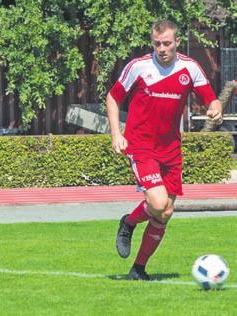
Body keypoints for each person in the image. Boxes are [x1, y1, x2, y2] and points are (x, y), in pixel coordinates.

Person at [106, 20, 223, 280]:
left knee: (166, 213)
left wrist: (216, 107)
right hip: (141, 146)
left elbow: (210, 98)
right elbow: (113, 97)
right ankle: (128, 222)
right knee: (157, 203)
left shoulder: (189, 68)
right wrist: (116, 134)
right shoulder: (138, 67)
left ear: (177, 42)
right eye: (157, 43)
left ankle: (138, 269)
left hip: (171, 149)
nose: (162, 48)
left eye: (167, 43)